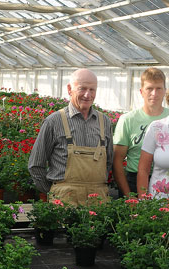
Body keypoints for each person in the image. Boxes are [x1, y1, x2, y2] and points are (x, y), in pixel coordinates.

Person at [28, 68, 113, 205]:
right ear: (69, 89)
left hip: (98, 199)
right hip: (64, 200)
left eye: (92, 90)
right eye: (82, 89)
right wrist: (54, 192)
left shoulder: (105, 122)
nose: (87, 94)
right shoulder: (54, 121)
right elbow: (36, 165)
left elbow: (108, 162)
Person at [112, 68, 169, 197]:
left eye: (159, 88)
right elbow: (117, 160)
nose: (154, 93)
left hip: (166, 180)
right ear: (141, 92)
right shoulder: (128, 120)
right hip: (133, 181)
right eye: (149, 88)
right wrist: (128, 195)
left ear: (165, 92)